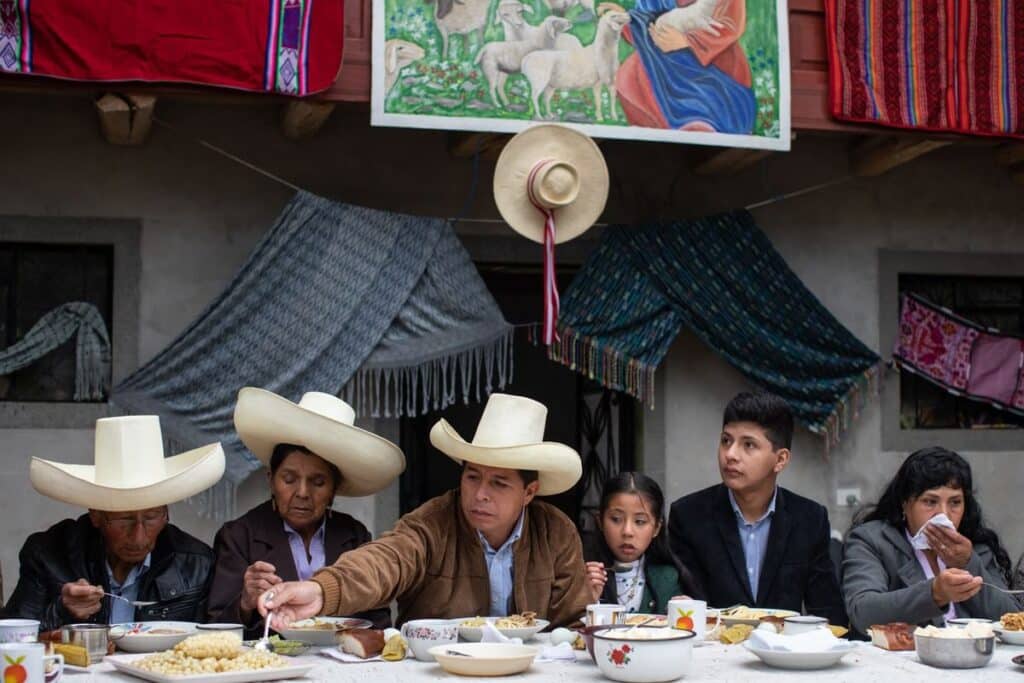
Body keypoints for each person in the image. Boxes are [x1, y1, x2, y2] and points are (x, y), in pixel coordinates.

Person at [257, 393, 592, 629]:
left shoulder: (555, 532)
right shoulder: (435, 522)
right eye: (472, 476)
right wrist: (321, 590)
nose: (480, 494)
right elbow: (386, 560)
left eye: (499, 484)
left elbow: (572, 622)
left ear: (529, 492)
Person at [207, 389, 404, 636]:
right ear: (271, 480)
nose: (302, 492)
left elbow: (377, 620)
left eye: (318, 482)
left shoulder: (354, 535)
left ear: (334, 490)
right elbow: (214, 627)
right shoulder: (239, 536)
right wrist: (245, 602)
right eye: (289, 479)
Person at [3, 416, 224, 630]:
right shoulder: (49, 554)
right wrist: (62, 610)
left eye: (151, 517)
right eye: (124, 519)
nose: (139, 537)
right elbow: (12, 641)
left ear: (166, 514)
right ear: (96, 515)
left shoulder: (195, 563)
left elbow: (209, 645)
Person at [668, 391, 846, 625]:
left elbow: (829, 614)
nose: (730, 455)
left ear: (780, 459)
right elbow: (687, 605)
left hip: (783, 655)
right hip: (712, 654)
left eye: (748, 445)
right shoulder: (689, 516)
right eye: (726, 441)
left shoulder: (810, 519)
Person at [842, 447, 1020, 634]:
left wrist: (968, 564)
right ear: (905, 503)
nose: (943, 514)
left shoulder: (974, 547)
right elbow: (863, 613)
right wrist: (935, 593)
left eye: (955, 502)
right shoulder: (872, 540)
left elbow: (1011, 619)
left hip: (973, 656)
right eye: (930, 502)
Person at [610, 0, 756, 132]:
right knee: (628, 79)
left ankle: (705, 124)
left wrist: (687, 41)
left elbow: (730, 25)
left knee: (710, 102)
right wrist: (625, 19)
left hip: (711, 62)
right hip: (660, 59)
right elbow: (645, 24)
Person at [584, 472, 701, 614]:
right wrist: (586, 600)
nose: (627, 532)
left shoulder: (668, 578)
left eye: (640, 521)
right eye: (616, 519)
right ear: (600, 521)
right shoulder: (582, 574)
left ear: (656, 528)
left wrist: (686, 611)